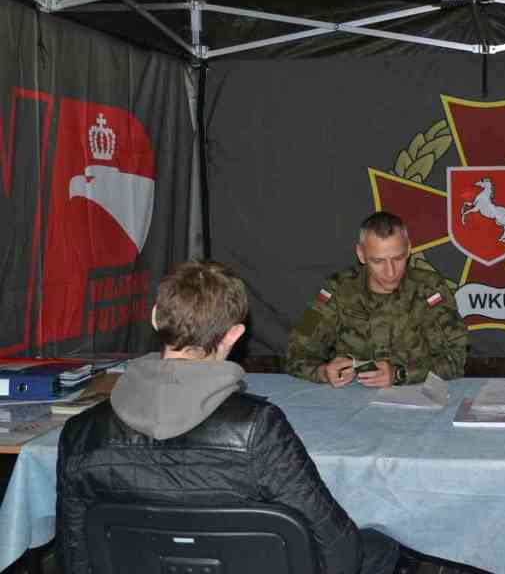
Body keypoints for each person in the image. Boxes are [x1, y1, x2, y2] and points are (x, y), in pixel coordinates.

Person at [56, 260, 399, 574]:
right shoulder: (257, 429)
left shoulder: (80, 433)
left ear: (156, 317)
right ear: (235, 334)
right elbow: (339, 550)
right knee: (379, 548)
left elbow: (76, 558)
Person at [286, 211, 467, 388]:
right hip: (351, 397)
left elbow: (457, 359)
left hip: (416, 397)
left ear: (409, 249)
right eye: (378, 261)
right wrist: (324, 372)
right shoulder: (336, 289)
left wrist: (399, 374)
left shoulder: (430, 288)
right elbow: (296, 351)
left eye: (398, 258)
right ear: (361, 255)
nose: (390, 272)